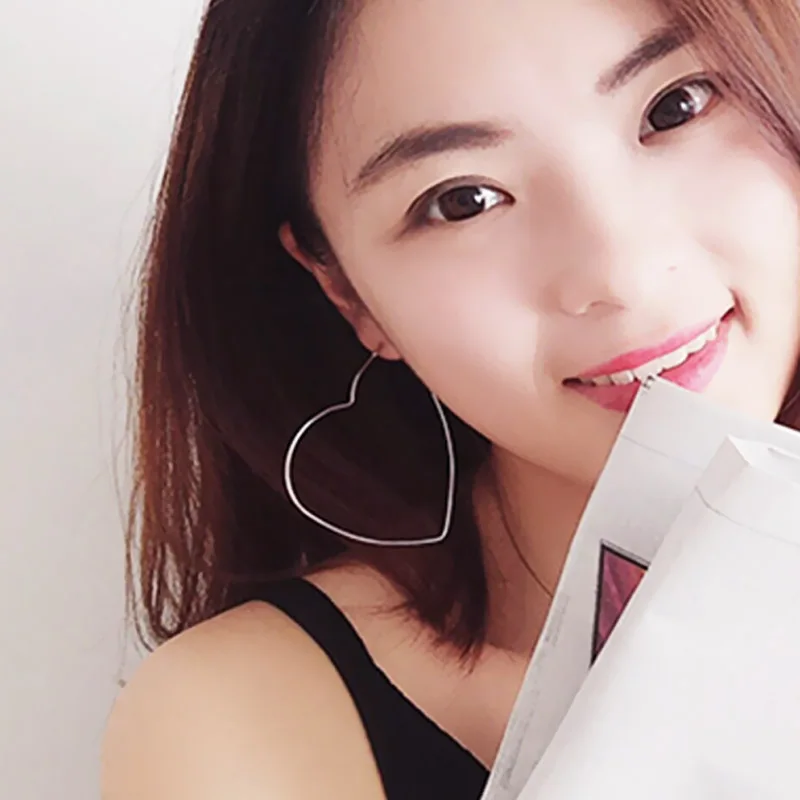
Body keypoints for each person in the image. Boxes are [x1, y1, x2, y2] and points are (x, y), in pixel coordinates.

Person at [100, 0, 800, 797]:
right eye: (463, 200)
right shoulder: (247, 721)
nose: (621, 272)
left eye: (675, 107)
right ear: (344, 290)